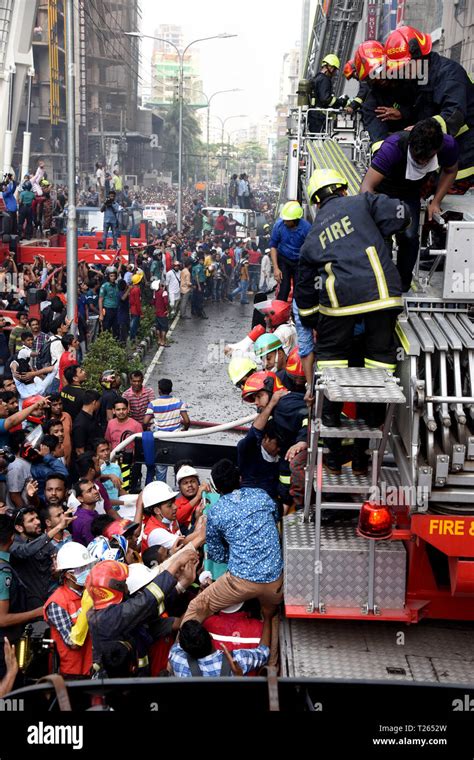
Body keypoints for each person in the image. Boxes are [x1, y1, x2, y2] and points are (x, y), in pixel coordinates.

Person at [295, 168, 410, 474]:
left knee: (331, 359)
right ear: (343, 190)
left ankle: (330, 418)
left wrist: (309, 318)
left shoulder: (313, 234)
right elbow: (401, 215)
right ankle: (373, 417)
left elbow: (305, 287)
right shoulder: (363, 202)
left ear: (316, 203)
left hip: (340, 304)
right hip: (383, 295)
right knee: (381, 360)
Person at [180, 460, 282, 663]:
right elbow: (275, 517)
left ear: (216, 488)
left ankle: (177, 661)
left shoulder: (216, 512)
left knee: (195, 607)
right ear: (240, 479)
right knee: (273, 616)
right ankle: (272, 667)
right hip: (274, 581)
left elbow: (217, 555)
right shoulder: (261, 495)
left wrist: (237, 551)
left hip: (240, 582)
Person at [360, 118, 459, 291]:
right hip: (384, 188)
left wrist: (436, 201)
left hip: (410, 191)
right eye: (417, 157)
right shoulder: (393, 147)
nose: (421, 162)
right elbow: (366, 188)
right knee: (381, 237)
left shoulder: (447, 145)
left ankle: (402, 283)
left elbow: (450, 171)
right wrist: (379, 213)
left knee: (409, 236)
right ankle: (381, 282)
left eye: (426, 159)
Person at [169, 608, 274, 677]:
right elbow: (264, 653)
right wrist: (268, 617)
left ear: (184, 648)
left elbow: (177, 645)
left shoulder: (177, 659)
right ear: (210, 636)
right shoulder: (236, 661)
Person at [0, 515, 44, 679]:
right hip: (4, 647)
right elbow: (2, 619)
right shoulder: (3, 573)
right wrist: (37, 612)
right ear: (12, 538)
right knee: (11, 696)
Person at [43, 542, 95, 677]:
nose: (86, 571)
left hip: (94, 667)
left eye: (87, 566)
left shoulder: (90, 592)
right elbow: (73, 643)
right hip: (74, 674)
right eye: (81, 568)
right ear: (67, 575)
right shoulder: (57, 603)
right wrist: (87, 609)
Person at [10, 506, 75, 610]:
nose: (37, 522)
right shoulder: (13, 545)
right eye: (31, 520)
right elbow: (26, 551)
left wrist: (57, 572)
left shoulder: (44, 542)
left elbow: (55, 567)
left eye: (37, 518)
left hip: (51, 595)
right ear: (19, 528)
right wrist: (58, 527)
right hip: (32, 605)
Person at [143, 378, 190, 482]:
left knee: (161, 470)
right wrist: (184, 430)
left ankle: (162, 492)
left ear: (159, 390)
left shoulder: (153, 404)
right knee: (179, 468)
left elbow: (145, 422)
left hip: (161, 441)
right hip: (176, 439)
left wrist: (146, 431)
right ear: (171, 389)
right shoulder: (179, 402)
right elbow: (187, 421)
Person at [269, 201, 311, 302]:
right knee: (284, 288)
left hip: (299, 261)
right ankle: (280, 314)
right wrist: (276, 268)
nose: (284, 222)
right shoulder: (278, 226)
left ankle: (296, 314)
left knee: (299, 290)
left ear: (295, 220)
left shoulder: (306, 228)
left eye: (287, 220)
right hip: (284, 259)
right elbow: (273, 247)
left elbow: (310, 248)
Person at [308, 54, 348, 134]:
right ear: (330, 67)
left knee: (314, 139)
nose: (334, 73)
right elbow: (326, 99)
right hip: (319, 117)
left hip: (314, 115)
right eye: (335, 69)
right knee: (318, 141)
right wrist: (341, 101)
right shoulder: (324, 80)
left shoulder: (317, 78)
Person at [175, 465, 209, 531]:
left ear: (198, 483)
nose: (190, 485)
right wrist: (197, 497)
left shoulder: (206, 496)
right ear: (179, 487)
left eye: (193, 481)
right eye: (185, 483)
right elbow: (178, 517)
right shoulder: (176, 503)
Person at [99, 268, 120, 337]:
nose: (113, 277)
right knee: (106, 328)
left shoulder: (117, 285)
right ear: (108, 276)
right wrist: (101, 314)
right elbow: (100, 300)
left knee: (116, 328)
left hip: (116, 309)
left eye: (114, 276)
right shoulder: (104, 286)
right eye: (111, 276)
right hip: (108, 310)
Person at [152, 280, 169, 348]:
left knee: (158, 327)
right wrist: (167, 309)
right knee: (164, 328)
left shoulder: (155, 293)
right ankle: (163, 341)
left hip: (157, 313)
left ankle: (159, 340)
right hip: (163, 313)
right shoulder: (164, 292)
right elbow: (166, 302)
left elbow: (153, 302)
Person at [129, 273, 143, 341]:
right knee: (134, 325)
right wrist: (141, 312)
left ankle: (133, 337)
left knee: (133, 323)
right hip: (135, 310)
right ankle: (132, 338)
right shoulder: (137, 290)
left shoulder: (133, 288)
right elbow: (137, 302)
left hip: (132, 309)